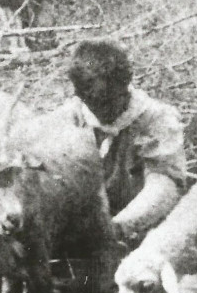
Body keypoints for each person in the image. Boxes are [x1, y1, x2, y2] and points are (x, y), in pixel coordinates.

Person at [57, 40, 187, 244]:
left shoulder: (155, 119)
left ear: (123, 87)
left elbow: (165, 184)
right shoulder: (69, 118)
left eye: (107, 101)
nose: (100, 111)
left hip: (143, 227)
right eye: (91, 102)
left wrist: (119, 226)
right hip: (86, 233)